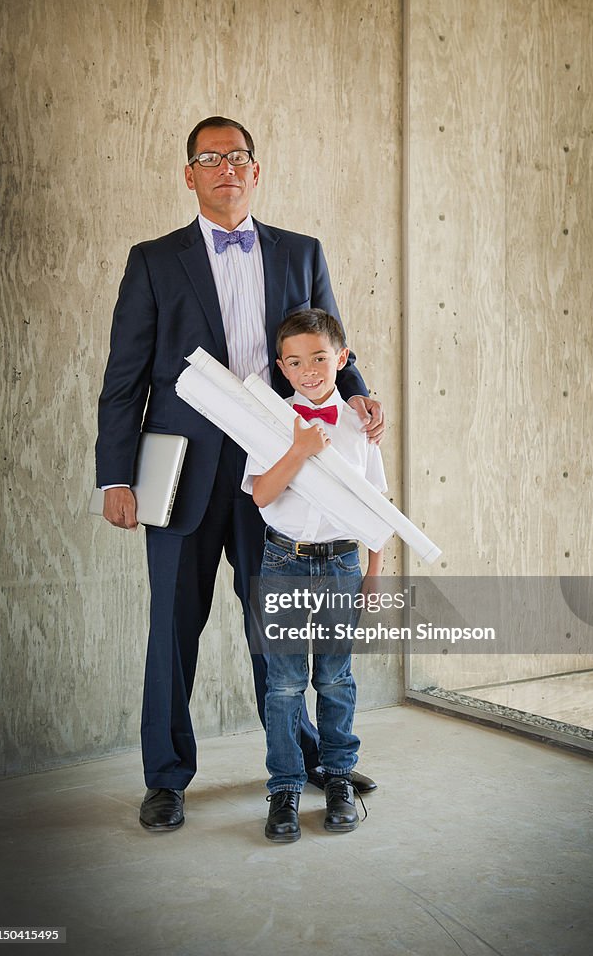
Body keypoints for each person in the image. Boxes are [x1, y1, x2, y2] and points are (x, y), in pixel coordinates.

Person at [95, 116, 384, 831]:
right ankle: (165, 779)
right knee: (173, 630)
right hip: (179, 472)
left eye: (238, 156)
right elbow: (123, 377)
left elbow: (331, 341)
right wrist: (114, 477)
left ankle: (310, 762)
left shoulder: (301, 251)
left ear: (256, 171)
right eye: (209, 158)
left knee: (279, 628)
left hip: (280, 471)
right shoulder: (153, 260)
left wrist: (357, 398)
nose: (225, 167)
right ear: (188, 175)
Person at [242, 310, 386, 842]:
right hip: (283, 560)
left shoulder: (360, 424)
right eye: (296, 362)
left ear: (342, 360)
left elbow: (376, 505)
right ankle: (284, 787)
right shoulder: (271, 421)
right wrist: (298, 450)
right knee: (282, 684)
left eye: (320, 359)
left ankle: (339, 777)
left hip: (343, 563)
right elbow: (260, 493)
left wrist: (373, 572)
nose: (309, 371)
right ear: (282, 367)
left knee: (334, 677)